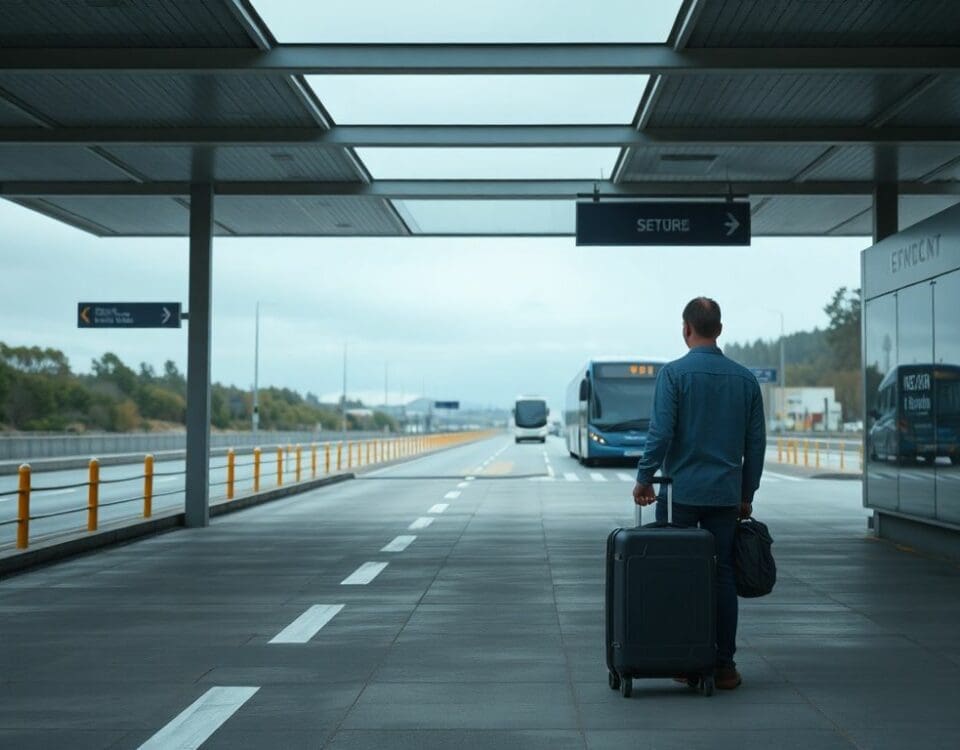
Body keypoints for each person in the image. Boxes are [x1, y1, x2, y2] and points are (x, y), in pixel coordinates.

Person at [632, 296, 765, 690]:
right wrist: (747, 492)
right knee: (723, 575)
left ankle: (684, 659)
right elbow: (755, 443)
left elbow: (661, 433)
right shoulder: (745, 379)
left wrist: (644, 477)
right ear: (719, 330)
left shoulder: (673, 375)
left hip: (680, 496)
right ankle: (724, 665)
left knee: (677, 574)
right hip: (725, 495)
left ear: (686, 329)